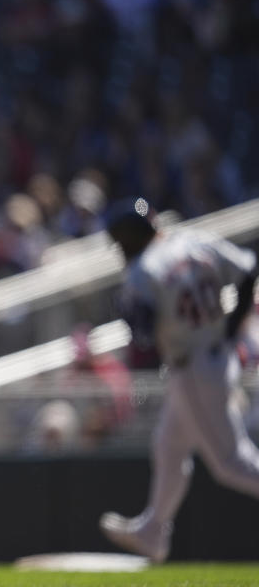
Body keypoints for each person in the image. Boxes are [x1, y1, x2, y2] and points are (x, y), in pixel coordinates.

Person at [99, 198, 259, 563]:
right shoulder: (196, 241)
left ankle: (152, 530)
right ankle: (152, 531)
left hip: (194, 368)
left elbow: (142, 335)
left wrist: (126, 312)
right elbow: (249, 271)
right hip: (215, 354)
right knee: (169, 446)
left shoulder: (144, 270)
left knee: (231, 463)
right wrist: (232, 328)